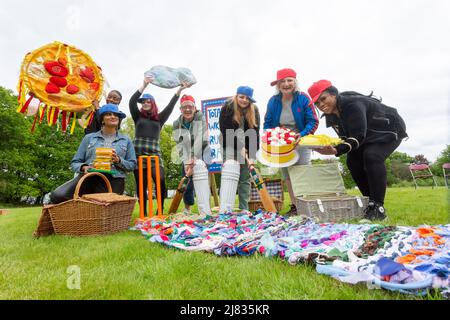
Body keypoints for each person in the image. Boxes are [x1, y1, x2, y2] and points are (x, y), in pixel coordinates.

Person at [308, 79, 408, 220]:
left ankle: (377, 207)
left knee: (372, 156)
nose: (321, 105)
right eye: (317, 103)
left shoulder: (353, 105)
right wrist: (328, 146)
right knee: (352, 161)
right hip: (368, 135)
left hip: (389, 129)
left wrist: (336, 150)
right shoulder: (331, 114)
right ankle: (370, 204)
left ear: (334, 94)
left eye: (323, 99)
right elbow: (345, 138)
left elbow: (358, 136)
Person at [49, 104, 136, 204]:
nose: (113, 116)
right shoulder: (89, 138)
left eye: (116, 115)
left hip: (114, 180)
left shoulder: (126, 139)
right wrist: (84, 167)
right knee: (58, 195)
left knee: (103, 204)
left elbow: (132, 165)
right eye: (108, 114)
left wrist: (118, 160)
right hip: (90, 177)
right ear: (102, 119)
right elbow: (75, 162)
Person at [129, 77, 190, 216]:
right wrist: (143, 85)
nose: (145, 103)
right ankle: (143, 212)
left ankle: (160, 210)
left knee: (160, 180)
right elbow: (132, 101)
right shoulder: (137, 116)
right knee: (142, 185)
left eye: (147, 101)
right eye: (143, 102)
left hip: (155, 155)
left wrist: (179, 90)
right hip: (139, 156)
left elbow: (170, 106)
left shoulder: (160, 118)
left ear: (153, 103)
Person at [263, 68, 319, 216]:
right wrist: (272, 137)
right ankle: (295, 206)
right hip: (281, 143)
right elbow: (267, 124)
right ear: (278, 85)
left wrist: (301, 135)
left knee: (302, 173)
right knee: (287, 175)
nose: (286, 84)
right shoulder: (273, 101)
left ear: (295, 82)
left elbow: (312, 120)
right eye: (282, 81)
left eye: (289, 80)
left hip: (300, 139)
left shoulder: (303, 98)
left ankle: (307, 206)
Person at [219, 86, 260, 213]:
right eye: (241, 97)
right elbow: (226, 131)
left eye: (247, 98)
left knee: (245, 177)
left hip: (247, 143)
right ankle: (226, 208)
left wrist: (252, 155)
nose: (244, 100)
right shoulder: (228, 106)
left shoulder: (254, 109)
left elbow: (255, 133)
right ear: (236, 96)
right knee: (230, 173)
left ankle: (244, 208)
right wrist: (240, 148)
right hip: (229, 142)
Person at [172, 94, 211, 214]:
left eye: (190, 106)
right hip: (187, 154)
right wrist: (186, 160)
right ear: (180, 109)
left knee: (201, 175)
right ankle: (187, 209)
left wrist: (194, 156)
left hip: (203, 150)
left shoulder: (200, 117)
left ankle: (205, 209)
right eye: (184, 107)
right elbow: (180, 144)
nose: (187, 109)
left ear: (195, 108)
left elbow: (201, 138)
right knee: (187, 181)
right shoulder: (176, 124)